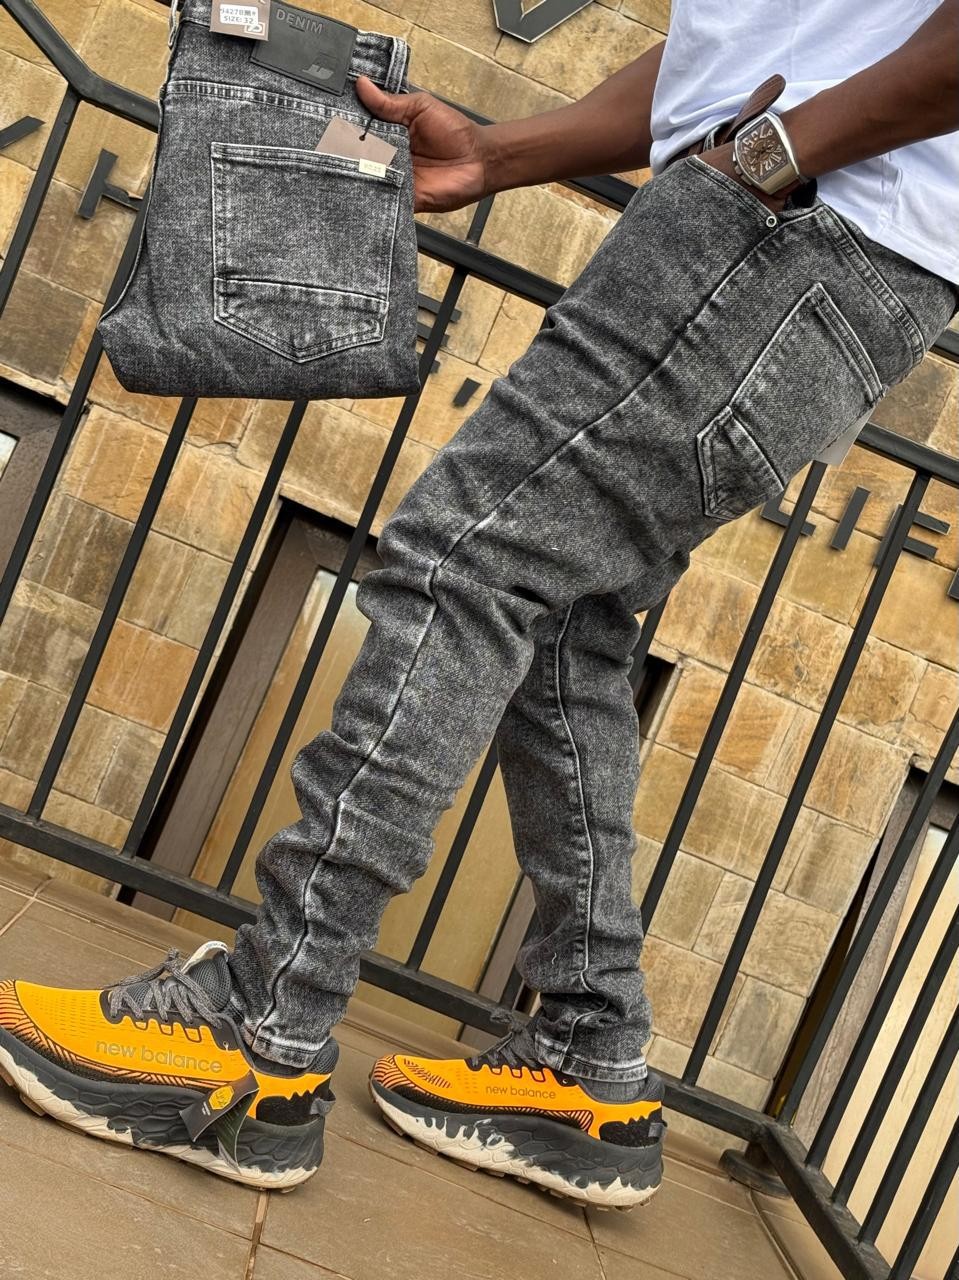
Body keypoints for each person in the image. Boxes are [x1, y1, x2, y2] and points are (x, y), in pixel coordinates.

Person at [1, 0, 956, 1205]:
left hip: (790, 222)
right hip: (827, 251)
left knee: (461, 557)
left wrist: (765, 160)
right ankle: (590, 1058)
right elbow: (750, 34)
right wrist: (501, 153)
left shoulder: (786, 180)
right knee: (564, 622)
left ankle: (260, 1028)